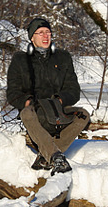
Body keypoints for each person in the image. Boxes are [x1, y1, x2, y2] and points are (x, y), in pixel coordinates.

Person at [6, 17, 89, 175]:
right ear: (32, 37)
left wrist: (60, 100)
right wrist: (28, 102)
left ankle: (45, 156)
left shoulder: (63, 58)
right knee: (26, 114)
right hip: (34, 110)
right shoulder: (20, 60)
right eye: (41, 33)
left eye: (48, 32)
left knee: (83, 115)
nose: (45, 36)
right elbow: (12, 93)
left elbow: (74, 90)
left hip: (58, 109)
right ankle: (56, 156)